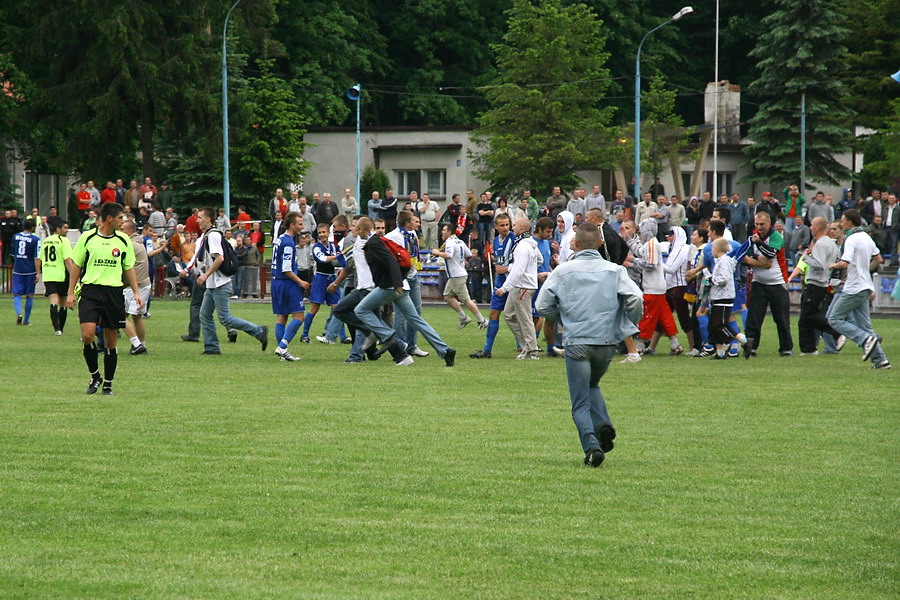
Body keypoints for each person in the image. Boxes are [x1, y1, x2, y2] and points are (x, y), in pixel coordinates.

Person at [536, 223, 643, 467]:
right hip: (606, 343)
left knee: (579, 402)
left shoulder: (562, 271)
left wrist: (563, 316)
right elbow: (636, 297)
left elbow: (542, 306)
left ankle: (592, 446)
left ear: (575, 244)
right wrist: (629, 318)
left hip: (577, 341)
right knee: (592, 383)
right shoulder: (614, 271)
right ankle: (603, 424)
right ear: (599, 244)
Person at [353, 217, 457, 367]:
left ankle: (388, 336)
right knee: (416, 320)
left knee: (361, 310)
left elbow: (391, 260)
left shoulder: (374, 243)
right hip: (401, 286)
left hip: (389, 287)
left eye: (357, 228)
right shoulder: (376, 241)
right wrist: (400, 280)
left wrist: (396, 282)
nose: (354, 231)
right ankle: (445, 350)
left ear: (363, 230)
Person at [65, 203, 142, 395]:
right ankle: (95, 375)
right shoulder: (88, 237)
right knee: (87, 335)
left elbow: (128, 268)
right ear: (109, 218)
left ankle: (108, 383)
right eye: (121, 218)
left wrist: (137, 292)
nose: (124, 222)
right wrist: (71, 292)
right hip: (90, 291)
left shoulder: (124, 240)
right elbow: (77, 265)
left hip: (113, 293)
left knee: (110, 341)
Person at [195, 207, 269, 355]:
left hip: (220, 283)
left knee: (225, 319)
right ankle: (211, 347)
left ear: (208, 219)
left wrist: (205, 275)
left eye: (200, 217)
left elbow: (220, 258)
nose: (197, 220)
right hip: (213, 284)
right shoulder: (208, 235)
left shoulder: (212, 236)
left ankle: (259, 331)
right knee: (204, 314)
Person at [826, 210, 890, 369]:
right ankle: (880, 361)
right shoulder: (866, 237)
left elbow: (844, 262)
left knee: (833, 318)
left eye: (843, 220)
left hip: (853, 287)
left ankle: (864, 339)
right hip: (865, 285)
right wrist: (864, 271)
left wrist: (832, 265)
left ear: (849, 222)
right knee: (865, 326)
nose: (841, 223)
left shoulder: (851, 238)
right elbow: (879, 259)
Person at [495, 218, 542, 360]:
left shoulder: (522, 246)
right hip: (521, 285)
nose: (512, 227)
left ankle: (532, 350)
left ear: (521, 228)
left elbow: (518, 270)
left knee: (525, 318)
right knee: (509, 315)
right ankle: (527, 345)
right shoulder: (531, 244)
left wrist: (504, 288)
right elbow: (539, 260)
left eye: (514, 225)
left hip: (523, 286)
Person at [470, 214, 514, 359]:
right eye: (502, 225)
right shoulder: (496, 240)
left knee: (518, 317)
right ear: (496, 226)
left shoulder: (514, 239)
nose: (505, 228)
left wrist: (507, 268)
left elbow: (521, 260)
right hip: (500, 283)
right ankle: (487, 350)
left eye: (507, 224)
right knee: (493, 314)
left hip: (513, 283)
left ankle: (525, 346)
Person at [270, 212, 310, 361]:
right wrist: (300, 282)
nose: (302, 227)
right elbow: (286, 268)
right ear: (292, 225)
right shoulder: (288, 243)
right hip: (287, 283)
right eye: (299, 224)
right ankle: (282, 346)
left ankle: (283, 354)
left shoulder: (279, 239)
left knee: (282, 317)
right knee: (299, 316)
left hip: (276, 282)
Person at [433, 223, 488, 331]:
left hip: (456, 275)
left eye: (444, 230)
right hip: (458, 274)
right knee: (447, 296)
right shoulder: (460, 241)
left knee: (466, 300)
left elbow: (448, 255)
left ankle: (482, 320)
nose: (442, 232)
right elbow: (469, 254)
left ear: (449, 232)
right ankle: (464, 317)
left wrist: (437, 253)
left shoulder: (449, 242)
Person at [704, 239, 750, 359]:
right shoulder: (722, 261)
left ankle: (743, 340)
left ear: (718, 249)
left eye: (713, 248)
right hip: (718, 298)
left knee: (720, 325)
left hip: (723, 297)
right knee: (714, 326)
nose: (711, 251)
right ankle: (720, 353)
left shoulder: (724, 262)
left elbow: (722, 279)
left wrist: (710, 279)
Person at [302, 223, 344, 343]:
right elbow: (323, 259)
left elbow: (340, 257)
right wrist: (337, 257)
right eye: (320, 233)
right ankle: (304, 335)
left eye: (324, 232)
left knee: (338, 308)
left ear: (328, 233)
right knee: (314, 308)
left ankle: (342, 336)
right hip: (320, 279)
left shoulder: (333, 246)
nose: (322, 235)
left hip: (331, 279)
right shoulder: (316, 247)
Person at [37, 219, 74, 335]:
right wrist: (73, 275)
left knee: (53, 301)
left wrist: (39, 272)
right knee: (62, 302)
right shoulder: (64, 241)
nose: (67, 230)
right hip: (61, 274)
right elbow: (67, 260)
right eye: (65, 228)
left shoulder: (46, 241)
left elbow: (40, 258)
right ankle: (61, 328)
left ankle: (57, 329)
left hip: (48, 274)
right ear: (58, 229)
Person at [120, 220, 152, 355]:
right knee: (137, 316)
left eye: (121, 229)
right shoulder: (138, 243)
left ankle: (137, 344)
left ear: (128, 232)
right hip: (144, 284)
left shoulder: (129, 245)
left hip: (134, 286)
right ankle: (141, 344)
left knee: (119, 316)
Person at [11, 219, 41, 325]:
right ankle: (26, 320)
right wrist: (38, 272)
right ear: (33, 227)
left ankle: (19, 313)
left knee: (17, 294)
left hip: (18, 269)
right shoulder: (35, 239)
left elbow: (13, 254)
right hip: (30, 271)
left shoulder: (15, 237)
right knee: (29, 295)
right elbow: (37, 257)